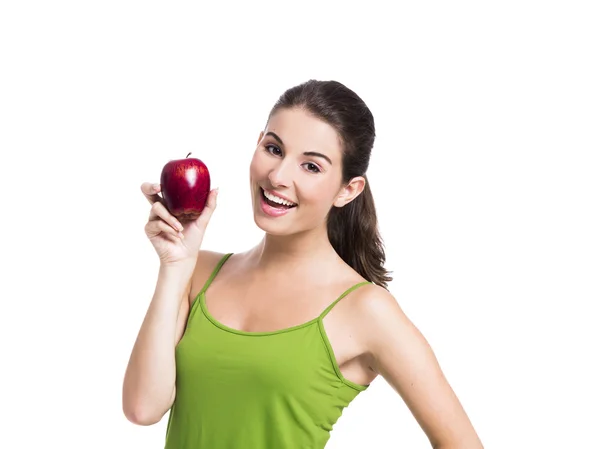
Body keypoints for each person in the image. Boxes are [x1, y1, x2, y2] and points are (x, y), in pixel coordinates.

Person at [122, 79, 484, 448]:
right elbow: (142, 408)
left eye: (311, 166)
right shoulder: (196, 272)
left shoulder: (367, 310)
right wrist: (174, 265)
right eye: (274, 148)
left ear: (348, 189)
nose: (278, 177)